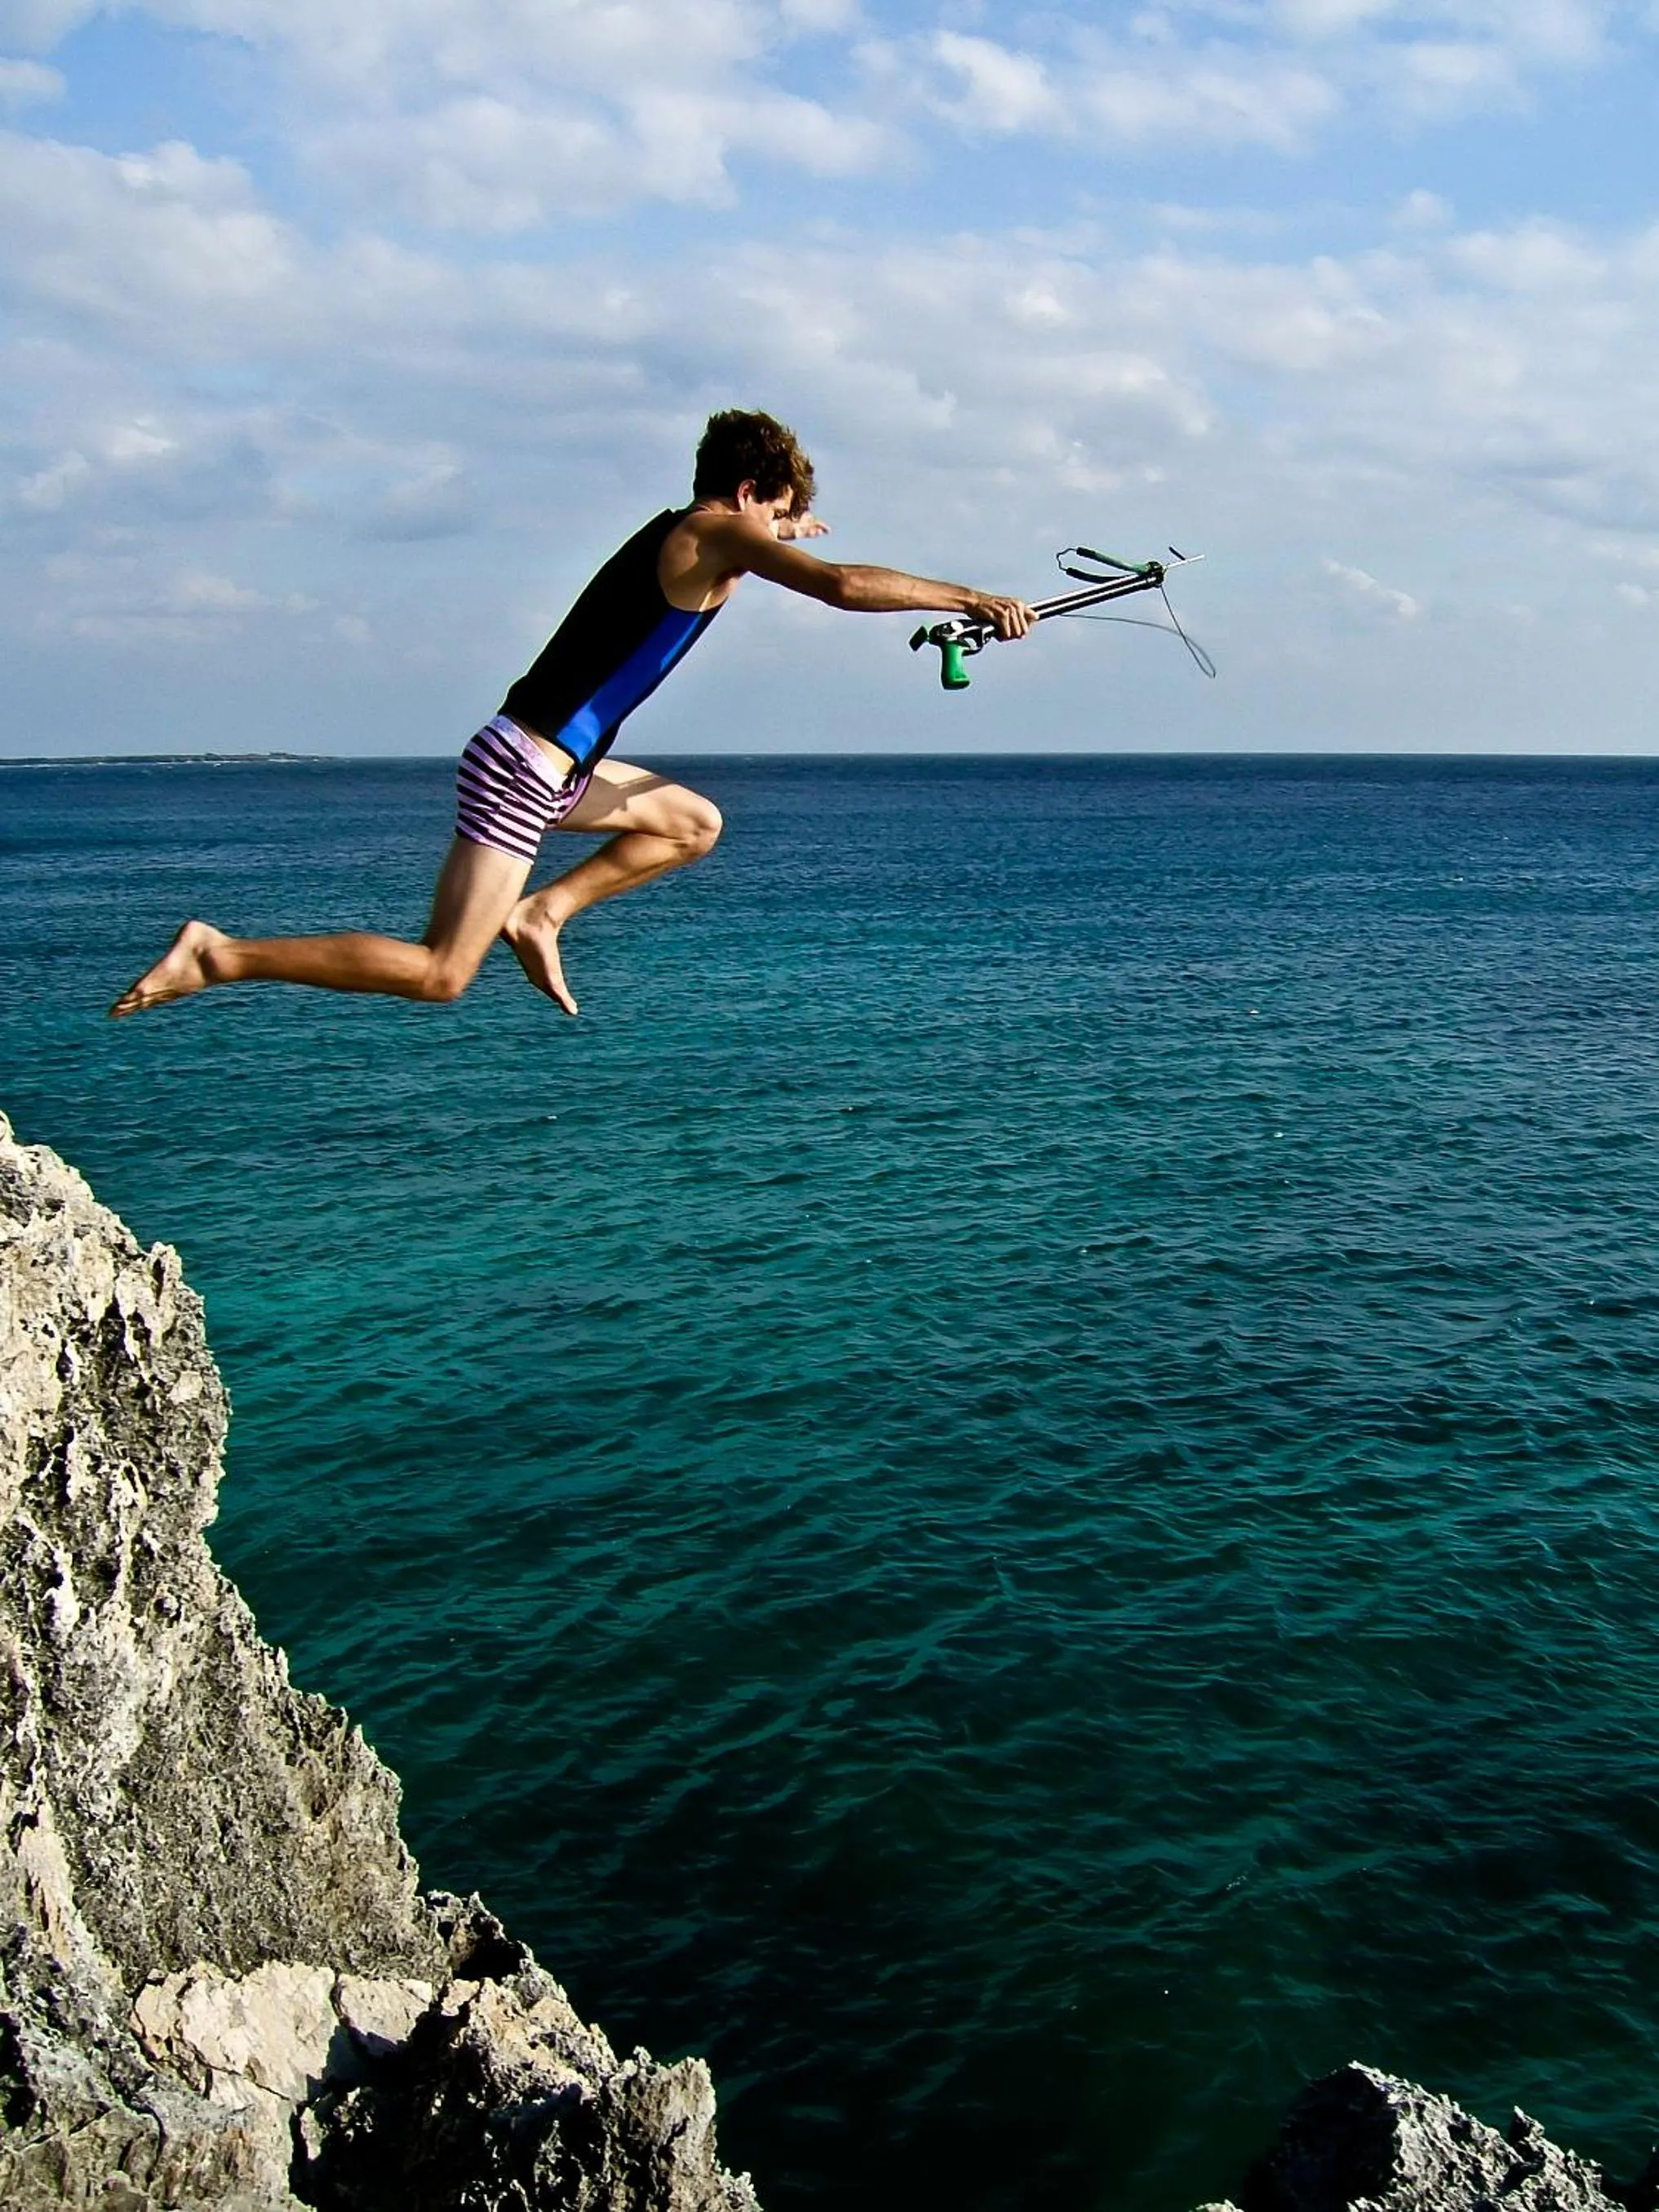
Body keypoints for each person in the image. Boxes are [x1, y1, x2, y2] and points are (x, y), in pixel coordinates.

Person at [110, 409, 1034, 1021]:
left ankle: (542, 913)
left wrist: (781, 527)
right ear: (746, 495)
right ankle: (219, 956)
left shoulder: (695, 529)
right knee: (440, 973)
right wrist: (970, 595)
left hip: (558, 767)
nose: (775, 538)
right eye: (776, 516)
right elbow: (836, 586)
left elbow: (770, 543)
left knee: (689, 823)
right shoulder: (712, 531)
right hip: (524, 766)